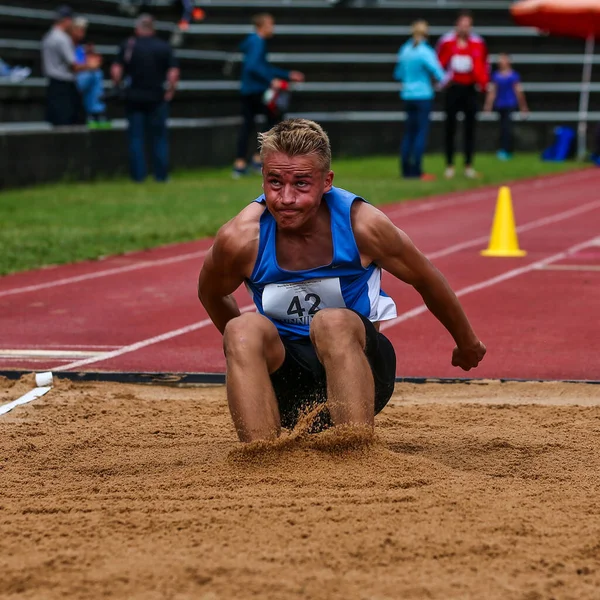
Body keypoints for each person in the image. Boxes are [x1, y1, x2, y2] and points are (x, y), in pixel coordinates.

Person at [198, 118, 487, 443]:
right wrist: (245, 354)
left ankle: (356, 452)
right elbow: (210, 293)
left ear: (326, 182)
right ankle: (261, 461)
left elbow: (425, 278)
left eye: (302, 184)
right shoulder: (240, 238)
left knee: (331, 322)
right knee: (242, 328)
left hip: (362, 372)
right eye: (274, 182)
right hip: (287, 379)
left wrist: (467, 343)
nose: (285, 198)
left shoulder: (363, 227)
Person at [233, 13, 305, 179]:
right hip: (256, 90)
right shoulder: (257, 42)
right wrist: (272, 80)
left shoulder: (253, 41)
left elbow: (262, 66)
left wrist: (286, 74)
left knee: (249, 124)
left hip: (248, 90)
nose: (273, 28)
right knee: (273, 120)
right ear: (262, 26)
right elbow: (254, 67)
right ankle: (257, 159)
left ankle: (241, 163)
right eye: (270, 24)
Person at [111, 13, 180, 182]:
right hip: (157, 97)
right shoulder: (163, 46)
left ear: (137, 28)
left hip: (134, 97)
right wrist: (170, 90)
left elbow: (116, 70)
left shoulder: (129, 45)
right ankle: (161, 175)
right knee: (159, 138)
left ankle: (138, 175)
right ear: (153, 28)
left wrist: (118, 85)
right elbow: (173, 73)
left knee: (136, 137)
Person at [436, 10, 489, 179]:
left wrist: (483, 84)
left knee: (470, 129)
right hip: (453, 89)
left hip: (470, 89)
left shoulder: (478, 43)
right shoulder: (446, 41)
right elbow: (437, 63)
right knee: (450, 128)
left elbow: (484, 65)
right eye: (462, 24)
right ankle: (449, 165)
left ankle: (468, 165)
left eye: (468, 25)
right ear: (457, 25)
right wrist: (443, 81)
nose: (465, 28)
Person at [394, 20, 445, 181]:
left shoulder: (405, 49)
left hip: (408, 95)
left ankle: (405, 169)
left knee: (409, 132)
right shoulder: (425, 51)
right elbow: (439, 73)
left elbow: (398, 74)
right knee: (420, 133)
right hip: (423, 95)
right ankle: (417, 170)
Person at [41, 5, 101, 126]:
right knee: (69, 123)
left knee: (58, 123)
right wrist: (91, 65)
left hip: (53, 83)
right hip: (64, 85)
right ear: (67, 20)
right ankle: (96, 112)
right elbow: (74, 65)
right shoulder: (62, 38)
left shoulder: (48, 36)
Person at [483, 53, 529, 161]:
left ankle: (508, 150)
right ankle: (503, 149)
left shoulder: (513, 75)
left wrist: (523, 106)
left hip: (510, 104)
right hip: (500, 104)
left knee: (507, 128)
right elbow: (492, 92)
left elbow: (518, 91)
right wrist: (488, 105)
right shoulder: (496, 76)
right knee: (502, 128)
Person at [71, 17, 108, 128]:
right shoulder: (68, 44)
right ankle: (95, 113)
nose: (82, 33)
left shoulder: (80, 48)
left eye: (83, 30)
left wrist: (92, 58)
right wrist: (89, 65)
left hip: (80, 77)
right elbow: (73, 67)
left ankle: (95, 112)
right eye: (79, 29)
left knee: (96, 73)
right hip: (69, 79)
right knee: (95, 74)